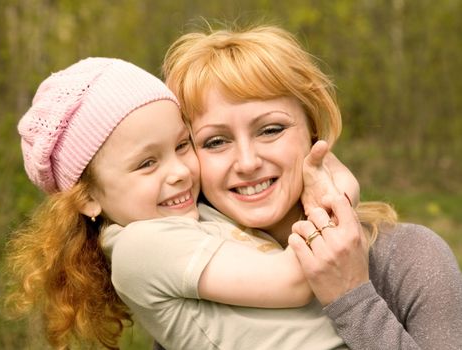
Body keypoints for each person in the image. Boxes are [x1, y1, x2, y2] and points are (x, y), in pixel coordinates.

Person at [6, 57, 357, 350]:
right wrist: (339, 195)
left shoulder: (188, 217)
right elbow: (295, 282)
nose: (178, 172)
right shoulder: (140, 246)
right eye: (147, 163)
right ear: (88, 198)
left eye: (181, 146)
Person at [161, 24, 462, 349]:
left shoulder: (408, 258)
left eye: (270, 130)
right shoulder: (193, 275)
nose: (247, 162)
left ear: (313, 131)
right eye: (216, 141)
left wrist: (353, 298)